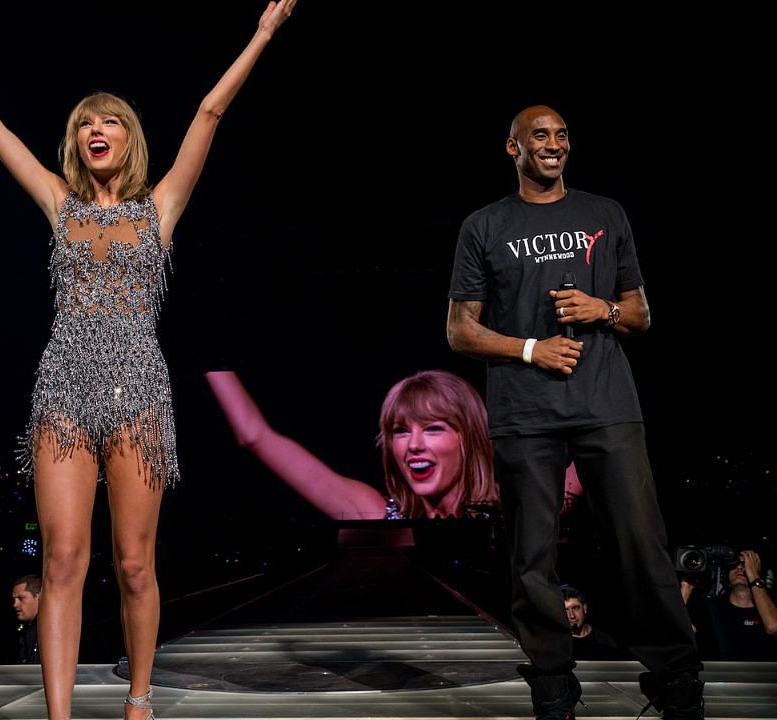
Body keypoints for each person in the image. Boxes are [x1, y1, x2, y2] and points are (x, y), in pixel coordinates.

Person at [0, 4, 296, 718]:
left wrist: (262, 35)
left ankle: (139, 701)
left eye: (111, 120)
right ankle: (59, 715)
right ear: (74, 141)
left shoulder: (161, 208)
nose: (97, 129)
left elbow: (210, 113)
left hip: (139, 393)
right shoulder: (58, 203)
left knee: (132, 564)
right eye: (86, 122)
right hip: (62, 389)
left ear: (130, 139)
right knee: (61, 560)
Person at [446, 105, 703, 719]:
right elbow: (460, 332)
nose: (553, 144)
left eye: (561, 135)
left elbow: (639, 314)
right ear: (513, 147)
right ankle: (554, 688)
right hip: (525, 413)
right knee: (532, 556)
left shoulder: (604, 213)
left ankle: (677, 679)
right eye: (539, 135)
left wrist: (601, 311)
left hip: (606, 404)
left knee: (642, 544)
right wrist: (532, 348)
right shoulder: (485, 225)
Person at [207, 369, 499, 519]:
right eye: (400, 431)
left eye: (433, 428)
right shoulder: (375, 514)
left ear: (469, 437)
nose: (414, 445)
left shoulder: (515, 514)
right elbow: (255, 435)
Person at [561, 586, 622, 660]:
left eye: (575, 608)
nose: (572, 615)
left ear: (585, 608)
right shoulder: (558, 645)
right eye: (566, 610)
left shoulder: (604, 640)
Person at [11, 575, 41, 664]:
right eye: (14, 599)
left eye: (21, 598)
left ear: (39, 597)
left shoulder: (50, 629)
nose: (15, 604)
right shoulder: (24, 631)